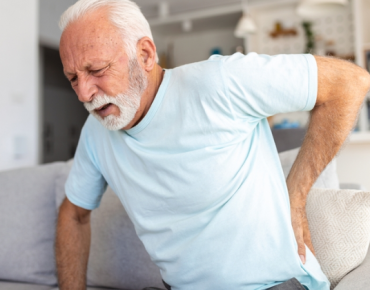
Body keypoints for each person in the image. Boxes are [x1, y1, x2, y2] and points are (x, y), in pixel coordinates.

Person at [55, 0, 370, 289]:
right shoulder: (96, 132)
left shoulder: (220, 82)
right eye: (73, 78)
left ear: (146, 55)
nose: (84, 93)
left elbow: (350, 83)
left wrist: (296, 196)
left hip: (273, 284)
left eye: (97, 70)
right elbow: (73, 214)